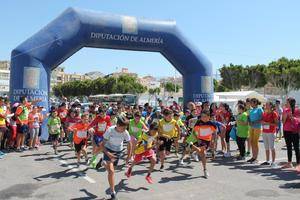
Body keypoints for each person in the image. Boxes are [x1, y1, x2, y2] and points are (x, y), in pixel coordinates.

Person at [100, 115, 132, 200]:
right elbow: (102, 145)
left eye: (125, 128)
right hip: (108, 150)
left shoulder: (125, 132)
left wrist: (128, 156)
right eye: (122, 128)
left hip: (118, 151)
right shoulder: (110, 130)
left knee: (112, 170)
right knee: (111, 171)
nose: (124, 130)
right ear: (117, 125)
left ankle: (103, 163)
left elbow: (129, 144)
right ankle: (113, 192)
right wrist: (108, 153)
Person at [180, 110, 217, 178]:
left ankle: (192, 147)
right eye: (202, 116)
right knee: (203, 154)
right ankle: (205, 170)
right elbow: (195, 132)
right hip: (199, 139)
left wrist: (213, 141)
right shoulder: (198, 123)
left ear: (209, 117)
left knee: (201, 153)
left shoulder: (212, 124)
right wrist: (198, 139)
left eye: (205, 117)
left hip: (207, 141)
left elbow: (214, 133)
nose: (203, 118)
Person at [282, 97, 300, 169]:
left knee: (296, 147)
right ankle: (289, 163)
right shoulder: (285, 110)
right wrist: (286, 116)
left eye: (287, 102)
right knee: (288, 147)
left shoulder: (297, 110)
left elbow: (298, 120)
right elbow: (283, 122)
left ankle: (298, 164)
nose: (286, 103)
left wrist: (293, 118)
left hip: (295, 131)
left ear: (291, 103)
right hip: (286, 130)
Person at [261, 102, 278, 167]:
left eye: (267, 105)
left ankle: (273, 162)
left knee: (272, 147)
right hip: (264, 131)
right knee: (266, 147)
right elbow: (262, 121)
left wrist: (267, 123)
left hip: (271, 132)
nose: (266, 106)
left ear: (271, 106)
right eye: (266, 105)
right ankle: (267, 161)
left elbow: (276, 124)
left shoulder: (274, 113)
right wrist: (262, 122)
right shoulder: (265, 113)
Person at [247, 98, 263, 163]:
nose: (250, 104)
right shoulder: (251, 110)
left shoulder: (259, 109)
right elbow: (249, 117)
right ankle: (253, 157)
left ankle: (255, 158)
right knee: (252, 142)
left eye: (251, 102)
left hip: (257, 127)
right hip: (251, 127)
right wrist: (249, 120)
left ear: (255, 103)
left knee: (255, 142)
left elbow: (262, 118)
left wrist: (255, 122)